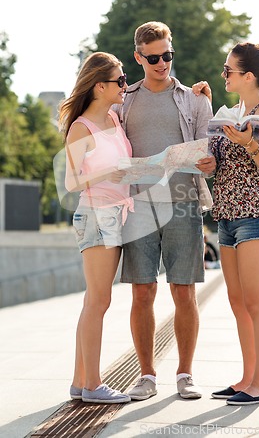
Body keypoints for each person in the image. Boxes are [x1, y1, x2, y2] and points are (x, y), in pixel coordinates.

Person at [114, 21, 216, 400]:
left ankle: (186, 375)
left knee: (184, 291)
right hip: (137, 206)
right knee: (142, 292)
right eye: (154, 58)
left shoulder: (195, 99)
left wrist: (210, 162)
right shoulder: (122, 100)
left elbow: (213, 148)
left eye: (168, 55)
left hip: (184, 204)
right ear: (138, 57)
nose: (162, 63)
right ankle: (146, 376)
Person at [209, 42, 259, 405]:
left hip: (256, 216)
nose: (224, 74)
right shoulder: (233, 111)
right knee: (238, 302)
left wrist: (250, 145)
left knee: (257, 303)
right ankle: (247, 378)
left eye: (229, 71)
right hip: (227, 216)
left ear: (249, 76)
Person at [58, 52, 133, 404]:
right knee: (98, 301)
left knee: (96, 300)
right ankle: (93, 384)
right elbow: (72, 182)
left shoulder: (115, 119)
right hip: (96, 215)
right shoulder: (81, 128)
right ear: (100, 86)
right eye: (119, 80)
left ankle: (80, 381)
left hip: (117, 213)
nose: (125, 84)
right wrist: (110, 172)